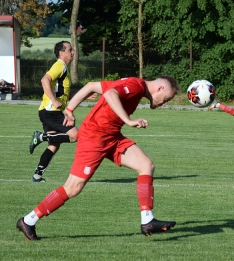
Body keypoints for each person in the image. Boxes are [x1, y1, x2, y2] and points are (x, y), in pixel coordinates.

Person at [16, 75, 180, 240]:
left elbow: (91, 86)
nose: (164, 103)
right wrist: (128, 120)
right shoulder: (135, 85)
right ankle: (28, 220)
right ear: (160, 89)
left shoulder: (132, 85)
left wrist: (70, 110)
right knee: (73, 188)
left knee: (146, 166)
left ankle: (147, 220)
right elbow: (110, 95)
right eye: (166, 99)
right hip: (93, 138)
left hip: (112, 137)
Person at [29, 41, 79, 182]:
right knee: (76, 136)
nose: (73, 52)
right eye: (70, 50)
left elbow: (65, 93)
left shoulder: (64, 68)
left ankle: (37, 176)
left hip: (48, 111)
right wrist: (54, 100)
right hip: (51, 111)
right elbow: (44, 80)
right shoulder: (59, 65)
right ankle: (40, 137)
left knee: (54, 144)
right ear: (61, 53)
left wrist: (84, 94)